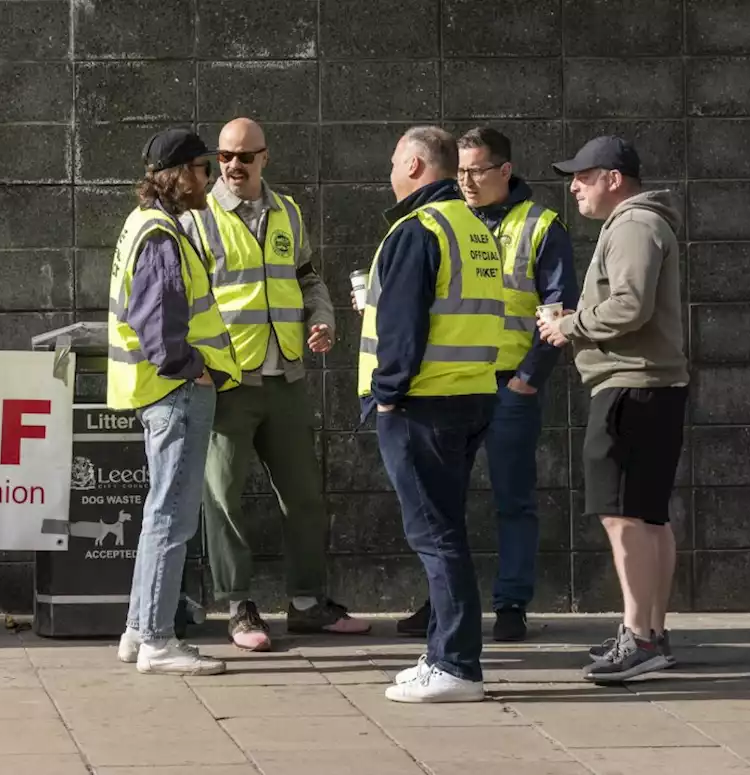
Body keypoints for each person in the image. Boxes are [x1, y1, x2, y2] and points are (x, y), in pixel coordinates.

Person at [181, 117, 370, 651]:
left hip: (284, 373)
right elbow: (187, 294)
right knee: (222, 497)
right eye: (224, 157)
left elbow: (307, 278)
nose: (233, 167)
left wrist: (324, 319)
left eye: (244, 157)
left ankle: (308, 603)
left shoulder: (287, 211)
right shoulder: (197, 218)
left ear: (266, 157)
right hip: (227, 379)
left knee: (305, 496)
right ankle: (239, 607)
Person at [397, 127, 578, 642]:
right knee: (439, 502)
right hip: (450, 382)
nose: (466, 181)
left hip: (507, 385)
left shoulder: (540, 225)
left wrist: (528, 380)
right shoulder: (447, 219)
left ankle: (511, 605)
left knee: (512, 498)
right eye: (460, 172)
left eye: (476, 171)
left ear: (505, 170)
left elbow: (558, 308)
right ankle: (442, 605)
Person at [359, 126, 505, 703]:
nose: (390, 171)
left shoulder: (417, 229)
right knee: (446, 529)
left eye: (395, 161)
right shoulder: (475, 227)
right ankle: (445, 651)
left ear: (417, 165)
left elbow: (403, 326)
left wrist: (388, 393)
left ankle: (455, 664)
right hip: (470, 395)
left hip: (422, 404)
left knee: (436, 535)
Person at [539, 136, 688, 681]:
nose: (573, 186)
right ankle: (650, 633)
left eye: (583, 175)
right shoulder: (645, 224)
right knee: (648, 514)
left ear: (614, 179)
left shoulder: (631, 226)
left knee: (622, 513)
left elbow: (630, 304)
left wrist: (568, 325)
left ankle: (641, 640)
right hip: (653, 387)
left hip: (629, 388)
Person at [108, 127, 243, 676]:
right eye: (203, 168)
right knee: (172, 515)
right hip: (177, 392)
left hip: (162, 394)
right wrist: (198, 371)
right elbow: (160, 328)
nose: (209, 178)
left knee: (158, 513)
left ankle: (139, 630)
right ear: (181, 174)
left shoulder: (143, 225)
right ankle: (160, 640)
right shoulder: (162, 235)